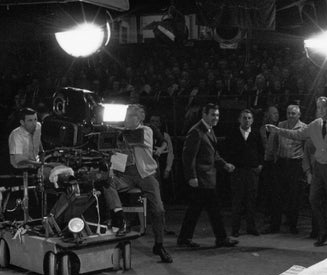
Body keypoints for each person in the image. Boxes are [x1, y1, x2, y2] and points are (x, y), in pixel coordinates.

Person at [266, 97, 327, 247]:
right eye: (318, 107)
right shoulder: (314, 125)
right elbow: (296, 134)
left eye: (323, 107)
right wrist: (278, 130)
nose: (321, 110)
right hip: (319, 167)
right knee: (314, 199)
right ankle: (323, 232)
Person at [102, 105, 173, 263]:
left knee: (158, 209)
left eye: (129, 116)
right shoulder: (121, 133)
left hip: (146, 175)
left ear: (139, 118)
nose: (126, 119)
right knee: (106, 181)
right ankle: (118, 215)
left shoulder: (145, 130)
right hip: (126, 174)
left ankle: (159, 244)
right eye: (125, 116)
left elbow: (133, 138)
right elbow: (114, 152)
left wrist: (110, 129)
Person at [176, 103, 238, 248]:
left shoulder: (208, 130)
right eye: (213, 115)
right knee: (210, 209)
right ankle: (220, 238)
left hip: (207, 177)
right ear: (204, 115)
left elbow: (213, 154)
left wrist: (224, 164)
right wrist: (191, 176)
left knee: (199, 209)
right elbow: (188, 157)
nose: (216, 118)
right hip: (202, 178)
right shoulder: (197, 132)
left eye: (217, 115)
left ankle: (185, 238)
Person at [227, 109, 264, 237]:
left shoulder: (255, 133)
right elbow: (227, 150)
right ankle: (235, 229)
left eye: (249, 118)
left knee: (251, 200)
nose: (247, 120)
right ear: (239, 119)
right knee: (237, 200)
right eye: (244, 118)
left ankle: (251, 227)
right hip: (237, 171)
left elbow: (260, 150)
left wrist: (259, 165)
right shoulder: (233, 134)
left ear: (252, 120)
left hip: (252, 171)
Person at [272, 104, 308, 234]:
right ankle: (274, 226)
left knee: (294, 196)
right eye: (288, 113)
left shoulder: (304, 128)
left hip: (295, 164)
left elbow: (306, 148)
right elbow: (274, 143)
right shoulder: (280, 125)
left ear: (299, 115)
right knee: (277, 195)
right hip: (282, 162)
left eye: (293, 113)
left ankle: (292, 225)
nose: (290, 115)